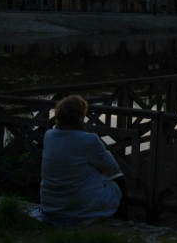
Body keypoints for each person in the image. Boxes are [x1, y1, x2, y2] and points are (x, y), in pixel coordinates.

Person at [40, 95, 128, 226]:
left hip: (51, 203)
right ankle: (121, 223)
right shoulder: (89, 139)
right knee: (119, 179)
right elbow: (112, 168)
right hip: (79, 204)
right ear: (81, 117)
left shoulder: (49, 135)